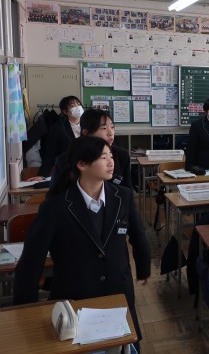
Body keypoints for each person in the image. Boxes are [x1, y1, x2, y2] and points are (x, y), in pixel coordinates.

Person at [14, 136, 151, 350]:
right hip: (75, 299)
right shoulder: (55, 207)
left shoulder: (122, 197)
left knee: (126, 347)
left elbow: (138, 235)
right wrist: (25, 310)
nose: (111, 162)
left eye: (111, 156)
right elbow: (31, 261)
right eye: (103, 157)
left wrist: (143, 268)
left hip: (118, 295)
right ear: (82, 164)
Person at [50, 109, 133, 190]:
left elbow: (127, 190)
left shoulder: (122, 156)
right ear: (86, 133)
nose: (110, 133)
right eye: (104, 128)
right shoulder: (65, 160)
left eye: (112, 127)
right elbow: (56, 193)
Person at [39, 95, 84, 176]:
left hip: (88, 169)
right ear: (65, 111)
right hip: (67, 171)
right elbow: (50, 154)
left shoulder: (90, 126)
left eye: (78, 104)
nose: (78, 107)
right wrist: (42, 175)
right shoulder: (57, 129)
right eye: (72, 106)